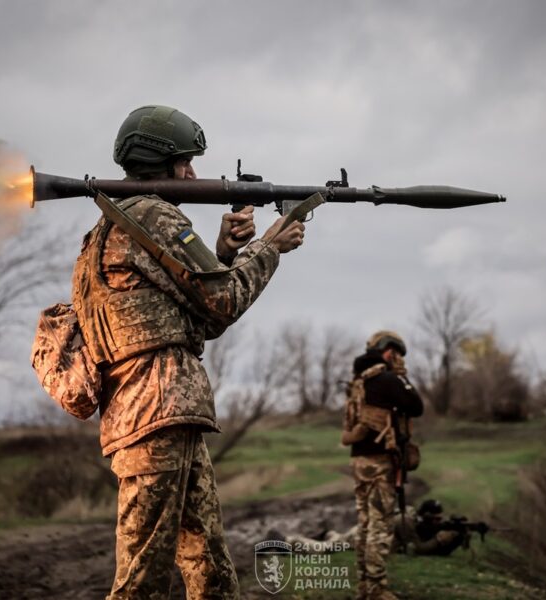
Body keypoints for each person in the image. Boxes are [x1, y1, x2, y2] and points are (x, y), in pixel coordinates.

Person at [72, 105, 306, 599]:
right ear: (162, 163)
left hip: (159, 416)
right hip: (156, 414)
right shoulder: (154, 217)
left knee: (210, 569)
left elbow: (199, 318)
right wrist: (271, 246)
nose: (194, 175)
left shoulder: (108, 227)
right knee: (141, 583)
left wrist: (224, 255)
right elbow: (224, 302)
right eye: (186, 163)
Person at [341, 331, 424, 600]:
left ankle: (364, 586)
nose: (398, 359)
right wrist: (401, 376)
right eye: (397, 354)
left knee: (365, 524)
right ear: (389, 351)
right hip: (380, 462)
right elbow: (416, 406)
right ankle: (376, 590)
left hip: (359, 460)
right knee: (380, 525)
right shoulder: (388, 379)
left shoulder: (358, 381)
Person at [395, 499, 470, 557]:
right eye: (436, 519)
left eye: (440, 519)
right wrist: (438, 539)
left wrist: (457, 538)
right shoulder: (405, 521)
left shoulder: (420, 523)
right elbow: (417, 549)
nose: (439, 522)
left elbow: (438, 552)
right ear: (426, 516)